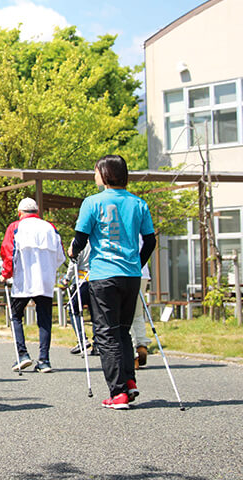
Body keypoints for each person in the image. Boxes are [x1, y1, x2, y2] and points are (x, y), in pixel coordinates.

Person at [69, 154, 156, 410]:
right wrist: (136, 264)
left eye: (96, 171)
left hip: (103, 276)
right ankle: (129, 381)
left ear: (105, 174)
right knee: (122, 330)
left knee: (106, 334)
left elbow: (80, 239)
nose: (94, 175)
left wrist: (73, 252)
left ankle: (117, 393)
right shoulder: (139, 203)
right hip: (131, 277)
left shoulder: (92, 203)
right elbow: (150, 241)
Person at [0, 198, 65, 373]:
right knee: (45, 320)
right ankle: (44, 360)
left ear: (20, 212)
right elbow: (60, 255)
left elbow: (8, 252)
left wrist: (5, 275)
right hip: (45, 281)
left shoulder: (15, 227)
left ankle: (22, 354)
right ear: (37, 211)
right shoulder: (50, 227)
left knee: (15, 316)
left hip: (23, 280)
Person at [61, 243, 97, 356]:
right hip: (97, 279)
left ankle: (82, 339)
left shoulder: (80, 240)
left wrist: (67, 277)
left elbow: (74, 261)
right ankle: (98, 343)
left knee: (73, 309)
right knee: (96, 313)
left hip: (82, 280)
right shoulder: (98, 238)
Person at [132, 237, 153, 369]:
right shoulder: (139, 217)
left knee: (125, 314)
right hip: (142, 271)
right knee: (137, 312)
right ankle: (141, 344)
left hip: (126, 271)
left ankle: (132, 353)